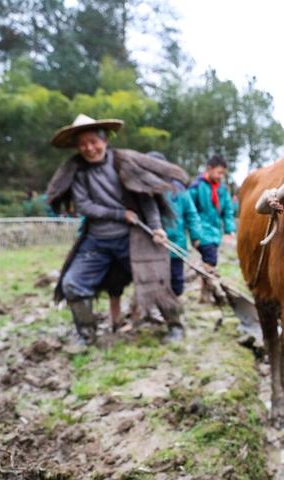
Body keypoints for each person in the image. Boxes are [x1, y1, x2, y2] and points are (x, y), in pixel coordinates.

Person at [46, 114, 187, 344]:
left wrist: (156, 227)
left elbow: (147, 198)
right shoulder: (77, 172)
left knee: (156, 280)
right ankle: (85, 334)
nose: (89, 148)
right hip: (96, 241)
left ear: (104, 140)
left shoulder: (124, 162)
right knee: (72, 284)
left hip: (131, 238)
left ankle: (175, 326)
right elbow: (84, 206)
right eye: (82, 144)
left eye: (93, 141)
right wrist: (120, 215)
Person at [146, 151, 204, 296]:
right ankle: (156, 307)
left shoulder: (179, 190)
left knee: (176, 281)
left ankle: (174, 306)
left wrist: (195, 235)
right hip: (151, 244)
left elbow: (191, 213)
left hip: (176, 244)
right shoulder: (143, 190)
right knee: (153, 280)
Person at [188, 154, 236, 302]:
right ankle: (209, 291)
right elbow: (189, 211)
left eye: (223, 173)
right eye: (219, 172)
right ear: (209, 169)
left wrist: (229, 228)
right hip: (201, 230)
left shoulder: (221, 189)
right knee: (210, 259)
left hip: (215, 232)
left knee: (209, 261)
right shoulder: (196, 186)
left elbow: (228, 210)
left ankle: (205, 293)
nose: (221, 176)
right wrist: (195, 235)